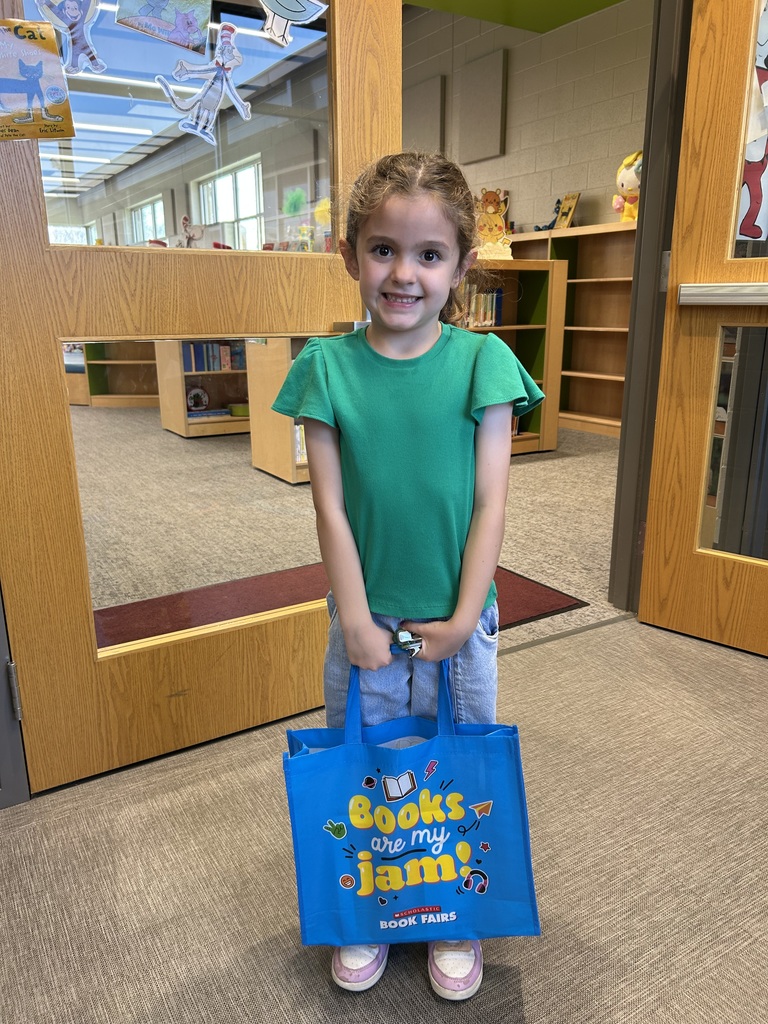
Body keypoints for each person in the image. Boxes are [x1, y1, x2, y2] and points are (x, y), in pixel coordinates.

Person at [272, 151, 544, 1001]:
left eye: (429, 254)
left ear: (462, 266)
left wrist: (464, 618)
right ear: (349, 253)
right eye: (383, 249)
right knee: (374, 768)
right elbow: (329, 507)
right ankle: (373, 905)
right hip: (368, 618)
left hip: (460, 622)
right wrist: (354, 617)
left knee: (454, 769)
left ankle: (454, 911)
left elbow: (491, 503)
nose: (403, 273)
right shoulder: (325, 369)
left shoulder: (483, 363)